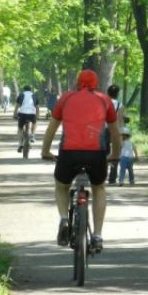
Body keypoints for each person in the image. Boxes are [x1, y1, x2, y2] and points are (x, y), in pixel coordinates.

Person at [41, 69, 121, 252]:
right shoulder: (104, 99)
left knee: (61, 185)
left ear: (77, 83)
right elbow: (115, 134)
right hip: (96, 154)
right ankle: (98, 235)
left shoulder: (66, 98)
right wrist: (115, 154)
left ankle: (63, 218)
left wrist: (45, 151)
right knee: (99, 187)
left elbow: (51, 129)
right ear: (97, 84)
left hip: (69, 153)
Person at [106, 85, 125, 184]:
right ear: (117, 94)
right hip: (115, 130)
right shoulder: (119, 105)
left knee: (103, 152)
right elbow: (120, 121)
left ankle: (102, 173)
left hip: (103, 130)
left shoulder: (103, 103)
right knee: (115, 152)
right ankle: (112, 177)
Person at [14, 85, 39, 152]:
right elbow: (37, 107)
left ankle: (20, 144)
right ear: (31, 90)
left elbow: (17, 106)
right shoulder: (34, 95)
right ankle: (32, 135)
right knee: (35, 123)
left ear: (24, 90)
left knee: (20, 128)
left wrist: (15, 114)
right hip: (32, 114)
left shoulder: (21, 95)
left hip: (22, 114)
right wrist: (37, 116)